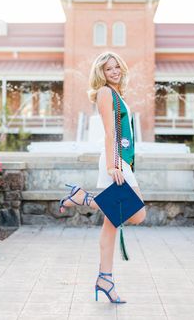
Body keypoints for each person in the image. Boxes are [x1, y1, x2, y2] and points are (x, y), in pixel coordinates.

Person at [59, 51, 146, 303]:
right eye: (109, 69)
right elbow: (109, 133)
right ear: (102, 73)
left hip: (119, 160)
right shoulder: (106, 93)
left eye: (117, 66)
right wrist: (113, 166)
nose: (115, 71)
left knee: (111, 225)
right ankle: (82, 198)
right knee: (138, 214)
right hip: (114, 162)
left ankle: (104, 279)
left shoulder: (117, 93)